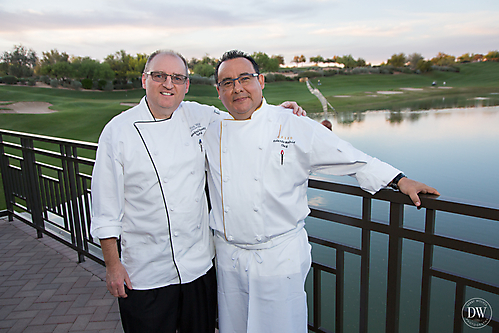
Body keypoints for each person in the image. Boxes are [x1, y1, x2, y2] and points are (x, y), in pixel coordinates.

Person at [203, 50, 440, 333]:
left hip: (278, 258)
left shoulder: (293, 123)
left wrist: (398, 179)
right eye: (227, 82)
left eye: (245, 78)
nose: (237, 88)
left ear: (261, 81)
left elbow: (349, 156)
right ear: (219, 91)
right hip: (229, 258)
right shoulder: (210, 128)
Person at [90, 50, 304, 333]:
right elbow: (106, 208)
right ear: (145, 80)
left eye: (177, 78)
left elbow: (241, 112)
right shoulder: (117, 132)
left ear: (187, 85)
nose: (168, 84)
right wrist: (113, 265)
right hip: (145, 273)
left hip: (198, 268)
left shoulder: (199, 116)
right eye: (159, 76)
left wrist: (278, 112)